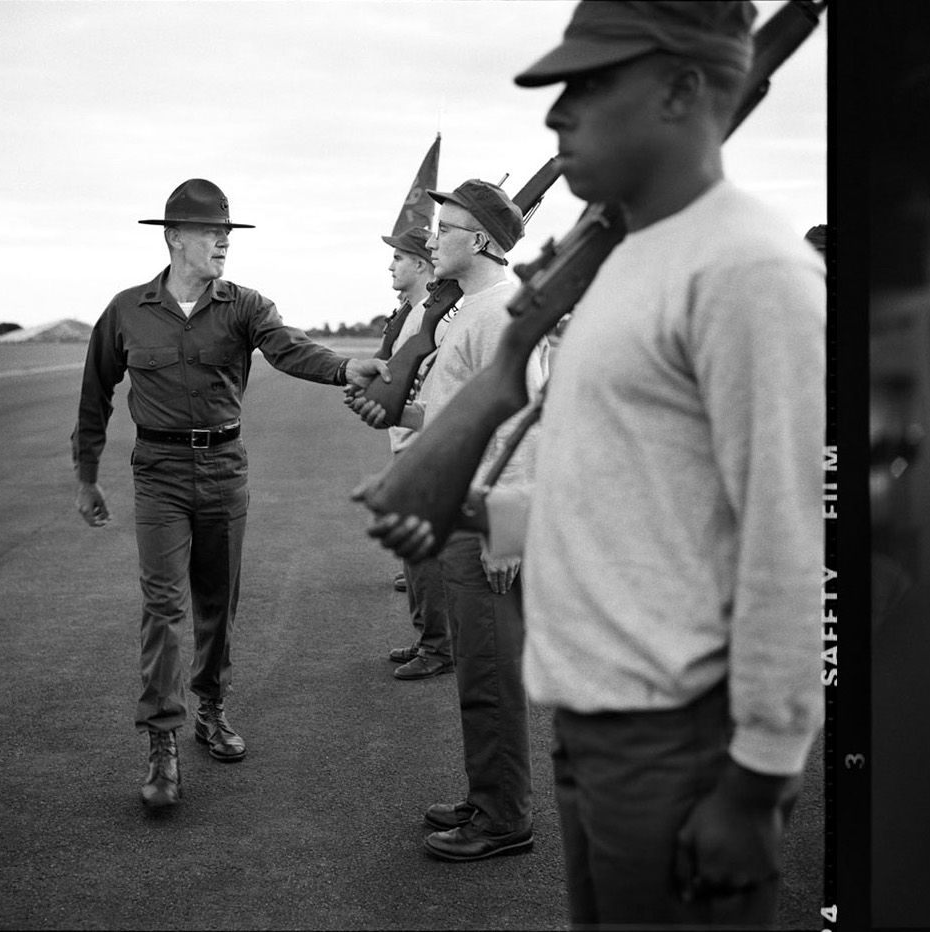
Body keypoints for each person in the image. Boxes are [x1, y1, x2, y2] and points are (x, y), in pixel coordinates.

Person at [366, 3, 823, 924]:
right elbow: (634, 492)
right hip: (598, 714)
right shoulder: (629, 262)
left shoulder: (744, 270)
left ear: (687, 91)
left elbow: (784, 541)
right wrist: (483, 515)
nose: (557, 113)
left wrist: (760, 778)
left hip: (677, 740)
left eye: (591, 84)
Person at [72, 178, 390, 811]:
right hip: (158, 469)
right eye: (210, 232)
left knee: (218, 600)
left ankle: (210, 708)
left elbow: (289, 348)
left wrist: (343, 368)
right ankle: (161, 741)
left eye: (227, 232)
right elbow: (94, 395)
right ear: (173, 239)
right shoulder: (126, 311)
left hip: (223, 466)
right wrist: (86, 477)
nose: (223, 240)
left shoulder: (245, 305)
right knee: (162, 604)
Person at [349, 178, 547, 861]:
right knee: (478, 674)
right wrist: (385, 407)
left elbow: (521, 430)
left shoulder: (500, 314)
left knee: (491, 676)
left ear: (484, 240)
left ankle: (504, 820)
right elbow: (448, 417)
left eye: (447, 228)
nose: (433, 240)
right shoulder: (468, 312)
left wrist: (507, 537)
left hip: (488, 521)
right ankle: (488, 796)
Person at [368, 226, 459, 680]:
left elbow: (436, 385)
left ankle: (438, 648)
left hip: (423, 441)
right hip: (407, 439)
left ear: (421, 264)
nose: (391, 265)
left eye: (399, 258)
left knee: (424, 553)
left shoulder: (440, 316)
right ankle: (428, 636)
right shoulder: (412, 313)